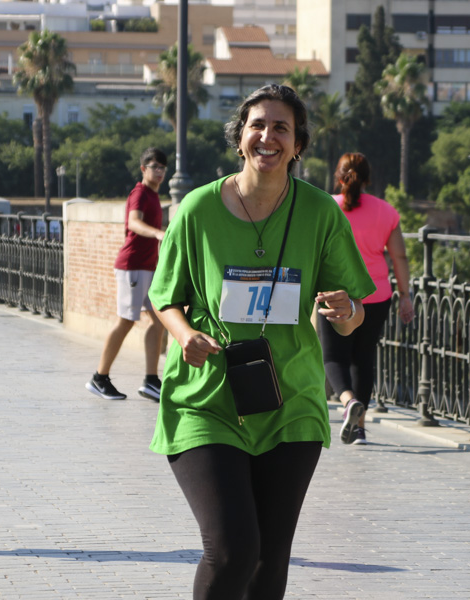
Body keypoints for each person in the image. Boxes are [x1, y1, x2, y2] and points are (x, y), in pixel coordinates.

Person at [148, 84, 374, 599]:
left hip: (289, 401)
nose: (267, 136)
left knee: (270, 561)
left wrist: (347, 312)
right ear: (239, 137)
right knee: (232, 550)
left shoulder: (320, 213)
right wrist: (185, 336)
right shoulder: (198, 210)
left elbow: (352, 316)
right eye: (257, 125)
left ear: (298, 145)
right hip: (208, 399)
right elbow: (166, 298)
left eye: (281, 128)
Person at [320, 153, 414, 446]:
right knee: (363, 358)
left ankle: (348, 402)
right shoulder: (386, 212)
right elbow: (399, 256)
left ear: (339, 176)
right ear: (368, 177)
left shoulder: (327, 208)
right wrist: (405, 296)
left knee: (333, 356)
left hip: (335, 295)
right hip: (377, 294)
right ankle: (359, 428)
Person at [85, 148, 169, 401]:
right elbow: (133, 222)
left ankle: (151, 381)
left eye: (163, 168)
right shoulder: (140, 194)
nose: (160, 172)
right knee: (126, 321)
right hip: (132, 266)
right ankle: (99, 378)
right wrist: (156, 233)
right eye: (155, 167)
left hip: (148, 266)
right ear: (143, 169)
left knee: (160, 320)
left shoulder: (153, 196)